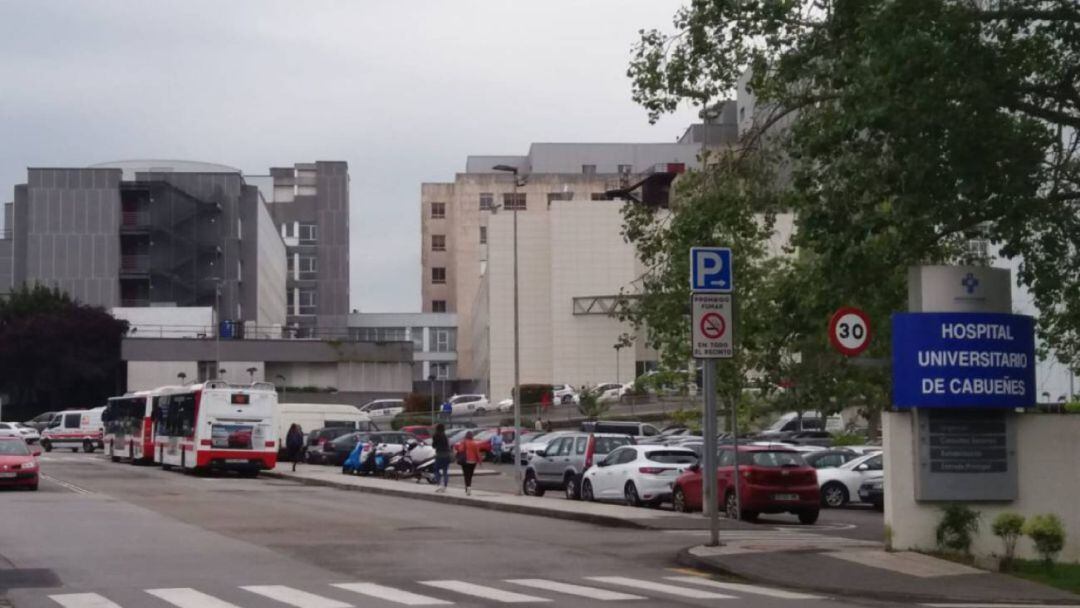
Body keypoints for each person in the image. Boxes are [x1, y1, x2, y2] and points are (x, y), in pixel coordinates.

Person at [458, 431, 482, 495]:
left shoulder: (463, 442)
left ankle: (468, 487)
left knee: (466, 475)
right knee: (470, 475)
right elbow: (477, 453)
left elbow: (460, 450)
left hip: (466, 461)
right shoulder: (474, 443)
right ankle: (469, 487)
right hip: (473, 462)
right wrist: (480, 461)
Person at [431, 423, 452, 493]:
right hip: (447, 455)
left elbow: (434, 445)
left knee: (436, 469)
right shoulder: (445, 436)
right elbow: (448, 445)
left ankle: (439, 483)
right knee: (445, 471)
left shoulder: (435, 435)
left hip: (439, 455)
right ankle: (445, 486)